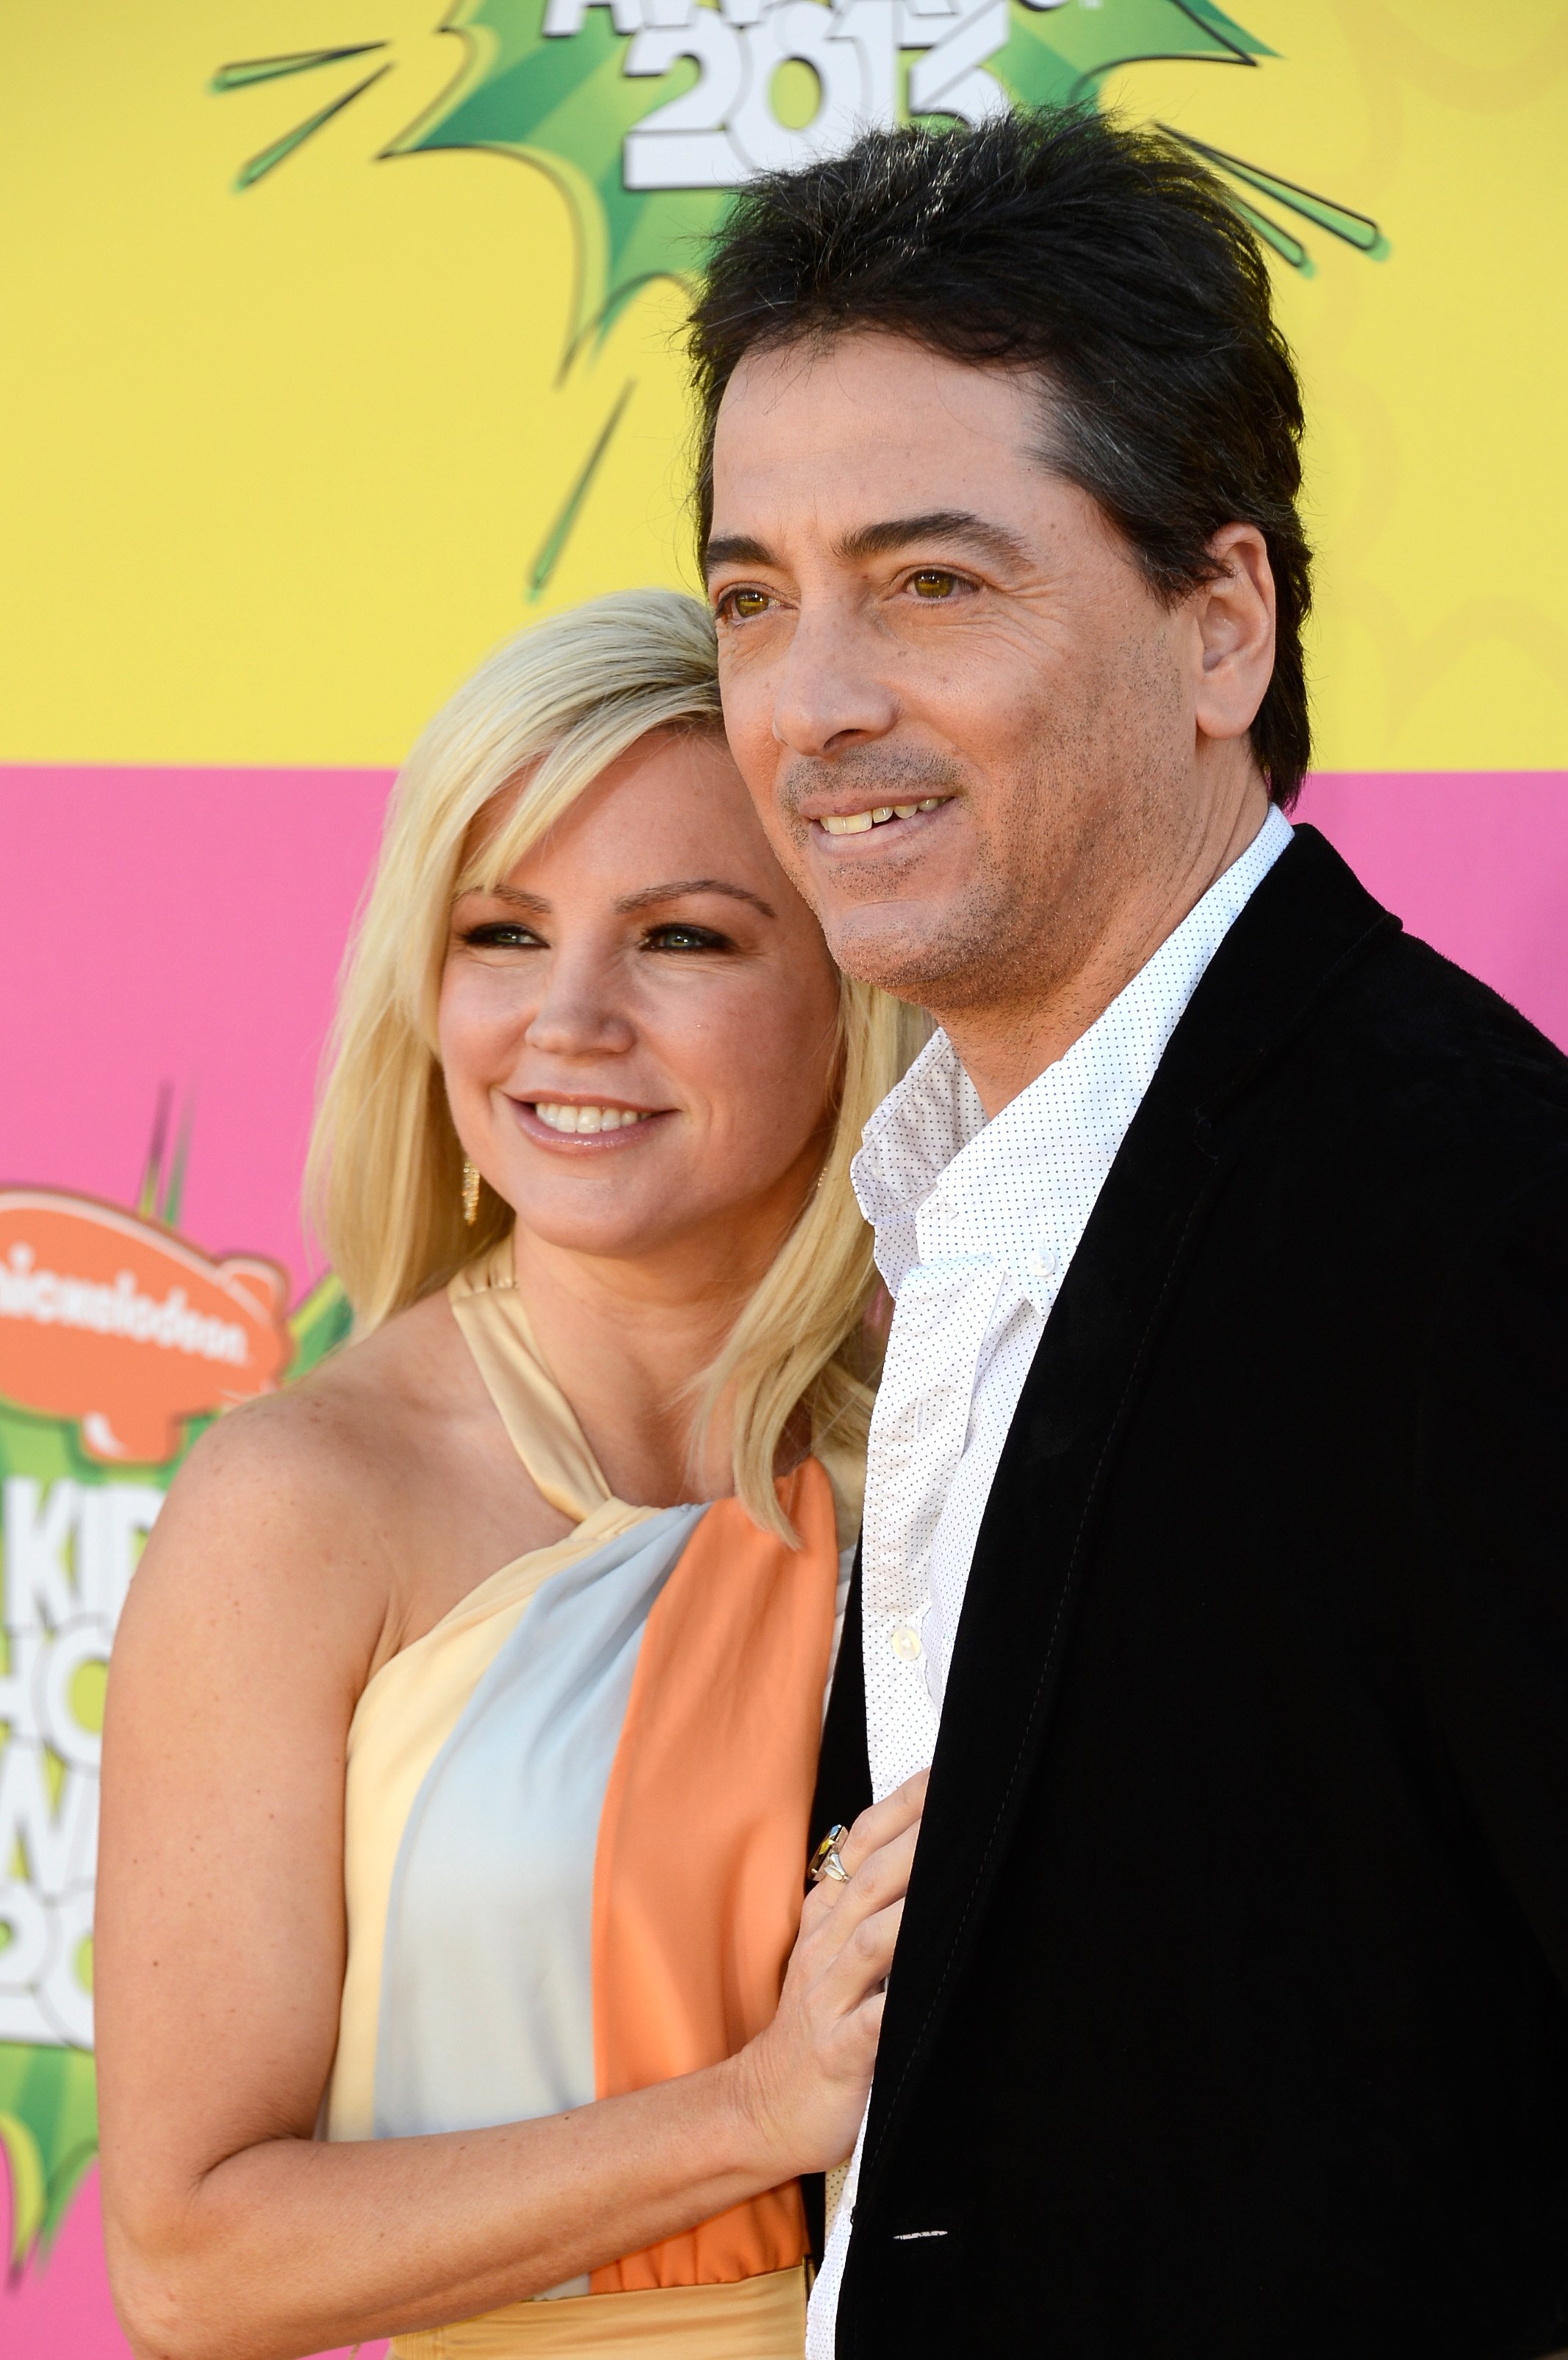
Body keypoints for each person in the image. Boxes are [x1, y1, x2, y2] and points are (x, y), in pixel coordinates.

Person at [690, 111, 1568, 2359]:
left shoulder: (1477, 1222)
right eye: (752, 597)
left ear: (1216, 624)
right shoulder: (962, 1206)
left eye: (930, 581)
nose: (814, 703)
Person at [95, 589, 929, 2360]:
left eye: (682, 939)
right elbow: (189, 2260)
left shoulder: (977, 1436)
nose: (569, 1019)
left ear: (845, 980)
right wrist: (750, 2110)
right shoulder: (302, 1502)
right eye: (500, 931)